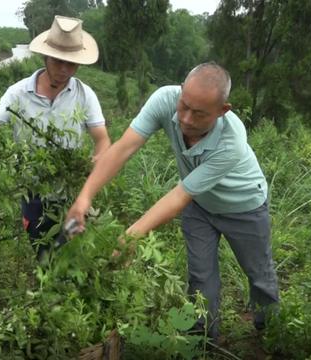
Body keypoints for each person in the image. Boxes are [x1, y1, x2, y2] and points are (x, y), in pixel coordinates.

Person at [66, 62, 279, 340]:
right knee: (201, 277)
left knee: (259, 275)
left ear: (222, 111)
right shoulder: (165, 100)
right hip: (200, 206)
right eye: (184, 106)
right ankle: (203, 340)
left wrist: (130, 237)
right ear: (180, 92)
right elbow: (123, 148)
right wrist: (84, 197)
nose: (187, 119)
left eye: (199, 114)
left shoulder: (231, 141)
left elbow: (178, 196)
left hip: (244, 207)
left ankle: (271, 330)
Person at [0, 15, 111, 261]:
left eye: (71, 64)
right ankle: (45, 282)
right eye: (59, 62)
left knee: (69, 247)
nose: (64, 70)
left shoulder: (84, 95)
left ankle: (64, 282)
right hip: (33, 191)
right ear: (45, 57)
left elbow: (102, 140)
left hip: (70, 192)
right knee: (41, 250)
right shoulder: (18, 93)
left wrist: (94, 163)